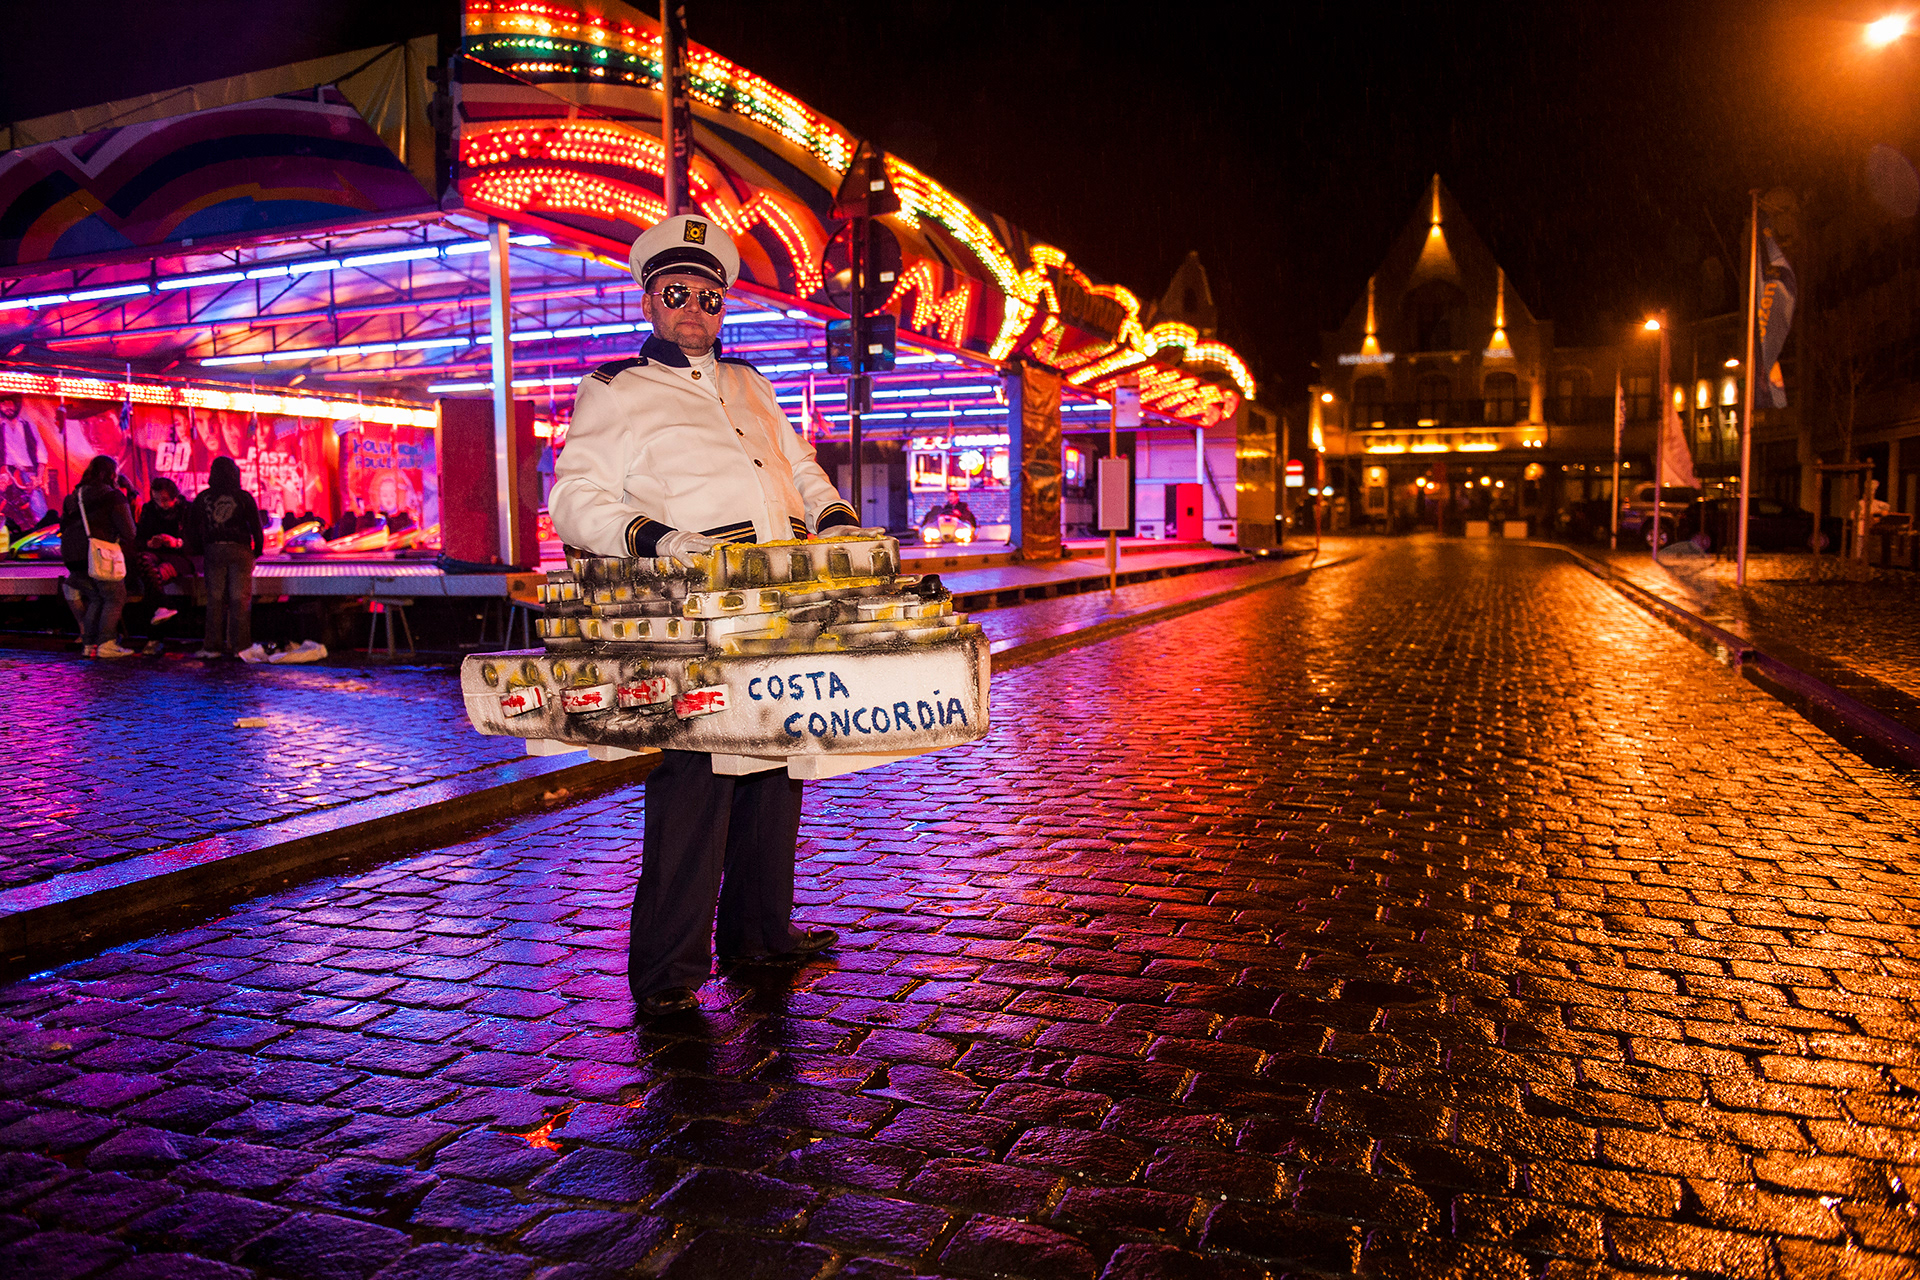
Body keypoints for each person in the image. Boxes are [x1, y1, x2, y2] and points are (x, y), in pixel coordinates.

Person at [548, 213, 882, 1018]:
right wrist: (659, 540)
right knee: (695, 784)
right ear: (650, 300)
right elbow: (573, 498)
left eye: (709, 297)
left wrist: (837, 522)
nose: (694, 308)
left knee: (777, 769)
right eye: (677, 293)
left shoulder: (751, 385)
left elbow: (802, 470)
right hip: (692, 609)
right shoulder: (616, 391)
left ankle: (759, 935)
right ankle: (666, 970)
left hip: (780, 600)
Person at [57, 455, 137, 658]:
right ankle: (107, 643)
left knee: (95, 597)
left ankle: (89, 644)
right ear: (112, 474)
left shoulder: (73, 496)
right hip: (99, 555)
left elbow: (64, 526)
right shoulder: (113, 496)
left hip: (74, 557)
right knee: (115, 596)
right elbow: (130, 532)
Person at [187, 456, 263, 659]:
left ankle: (212, 647)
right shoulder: (244, 497)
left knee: (215, 599)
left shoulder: (203, 498)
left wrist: (197, 550)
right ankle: (240, 646)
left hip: (213, 550)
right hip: (240, 550)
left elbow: (192, 526)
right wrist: (257, 551)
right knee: (240, 599)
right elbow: (256, 526)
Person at [129, 477, 194, 650]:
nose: (161, 504)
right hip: (156, 553)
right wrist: (149, 543)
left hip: (180, 557)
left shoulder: (187, 510)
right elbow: (139, 538)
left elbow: (196, 540)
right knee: (145, 564)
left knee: (152, 579)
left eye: (164, 500)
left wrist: (176, 542)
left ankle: (154, 638)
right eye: (157, 500)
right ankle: (164, 605)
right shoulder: (149, 509)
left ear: (174, 496)